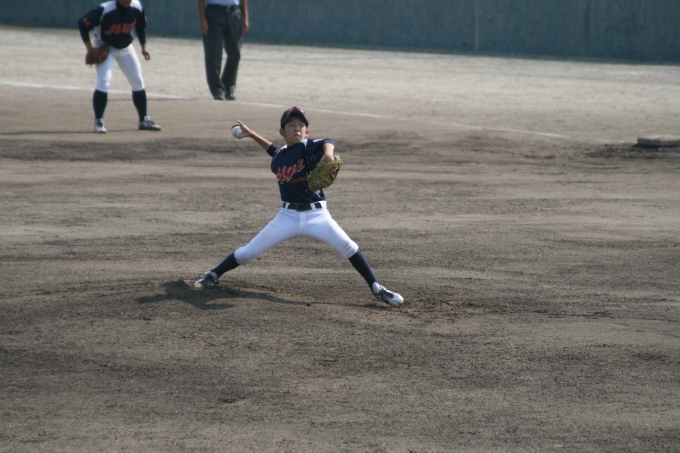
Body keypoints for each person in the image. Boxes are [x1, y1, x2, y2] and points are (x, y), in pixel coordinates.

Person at [194, 107, 404, 308]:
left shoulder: (307, 146)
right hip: (287, 217)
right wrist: (252, 134)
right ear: (282, 132)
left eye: (301, 125)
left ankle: (378, 288)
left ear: (306, 132)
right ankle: (213, 274)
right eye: (291, 125)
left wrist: (328, 155)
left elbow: (328, 142)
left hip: (317, 215)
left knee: (349, 247)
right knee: (246, 254)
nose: (297, 128)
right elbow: (273, 150)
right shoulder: (280, 156)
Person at [78, 0, 161, 134]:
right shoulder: (105, 9)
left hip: (126, 48)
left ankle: (144, 120)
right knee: (104, 81)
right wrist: (90, 48)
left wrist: (144, 47)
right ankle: (99, 121)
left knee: (137, 81)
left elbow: (140, 26)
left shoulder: (137, 7)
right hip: (104, 47)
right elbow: (82, 23)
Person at [197, 0, 249, 100]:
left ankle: (228, 86)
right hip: (214, 12)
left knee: (235, 53)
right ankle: (217, 89)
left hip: (234, 12)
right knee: (214, 54)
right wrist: (202, 19)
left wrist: (245, 18)